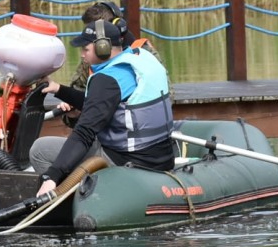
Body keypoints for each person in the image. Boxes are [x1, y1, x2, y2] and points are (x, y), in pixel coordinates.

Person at [32, 18, 176, 197]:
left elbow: (85, 132)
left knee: (39, 150)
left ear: (102, 47)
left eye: (85, 49)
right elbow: (100, 103)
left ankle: (66, 202)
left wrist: (53, 176)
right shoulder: (141, 60)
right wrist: (58, 89)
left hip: (126, 159)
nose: (82, 55)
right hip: (161, 157)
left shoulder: (107, 80)